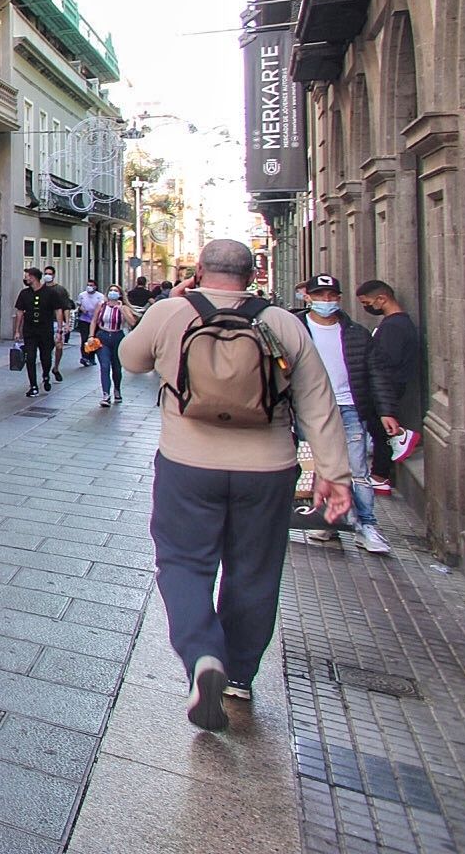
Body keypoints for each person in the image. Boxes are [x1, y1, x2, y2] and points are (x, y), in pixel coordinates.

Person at [122, 239, 350, 729]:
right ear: (252, 274)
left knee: (183, 563)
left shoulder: (173, 313)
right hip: (267, 468)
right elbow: (318, 402)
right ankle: (239, 674)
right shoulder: (282, 322)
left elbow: (131, 359)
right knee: (255, 571)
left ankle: (203, 655)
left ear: (200, 270)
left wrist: (171, 302)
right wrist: (334, 473)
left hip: (189, 462)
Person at [298, 275, 389, 554]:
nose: (326, 301)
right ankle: (324, 520)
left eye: (331, 295)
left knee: (357, 469)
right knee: (313, 467)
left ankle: (365, 526)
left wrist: (386, 412)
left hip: (349, 406)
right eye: (320, 295)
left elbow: (375, 374)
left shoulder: (356, 333)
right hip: (310, 408)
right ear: (308, 297)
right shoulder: (296, 328)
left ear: (338, 298)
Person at [358, 279, 421, 491]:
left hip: (389, 387)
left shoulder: (394, 327)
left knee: (380, 429)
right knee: (378, 429)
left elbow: (385, 362)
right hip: (390, 386)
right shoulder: (393, 324)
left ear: (382, 299)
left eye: (367, 302)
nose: (366, 308)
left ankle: (380, 474)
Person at [13, 268, 58, 398]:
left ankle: (45, 375)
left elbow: (57, 310)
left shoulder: (50, 293)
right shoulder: (24, 294)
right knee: (30, 357)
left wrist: (60, 328)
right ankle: (33, 386)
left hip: (45, 330)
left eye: (27, 276)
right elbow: (20, 312)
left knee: (45, 357)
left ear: (33, 278)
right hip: (30, 331)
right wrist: (17, 330)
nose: (25, 279)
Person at [88, 285, 133, 406]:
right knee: (104, 365)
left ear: (120, 294)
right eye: (111, 291)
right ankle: (106, 394)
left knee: (117, 368)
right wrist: (91, 336)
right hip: (102, 337)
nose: (113, 293)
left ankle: (117, 389)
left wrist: (121, 309)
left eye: (116, 291)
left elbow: (132, 322)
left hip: (117, 337)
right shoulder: (101, 305)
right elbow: (94, 320)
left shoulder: (123, 307)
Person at [42, 267, 74, 382]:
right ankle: (47, 368)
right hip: (45, 323)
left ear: (54, 275)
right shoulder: (41, 289)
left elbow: (66, 307)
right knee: (46, 347)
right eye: (45, 274)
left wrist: (67, 324)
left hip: (57, 322)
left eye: (49, 274)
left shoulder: (60, 290)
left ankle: (56, 367)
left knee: (59, 346)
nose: (47, 276)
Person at [74, 279, 105, 367]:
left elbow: (101, 307)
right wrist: (81, 308)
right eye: (88, 285)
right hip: (84, 319)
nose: (89, 287)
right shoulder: (82, 295)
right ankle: (84, 357)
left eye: (91, 285)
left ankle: (92, 357)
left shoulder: (100, 296)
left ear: (95, 287)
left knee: (93, 339)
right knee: (84, 339)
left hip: (95, 321)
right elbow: (79, 304)